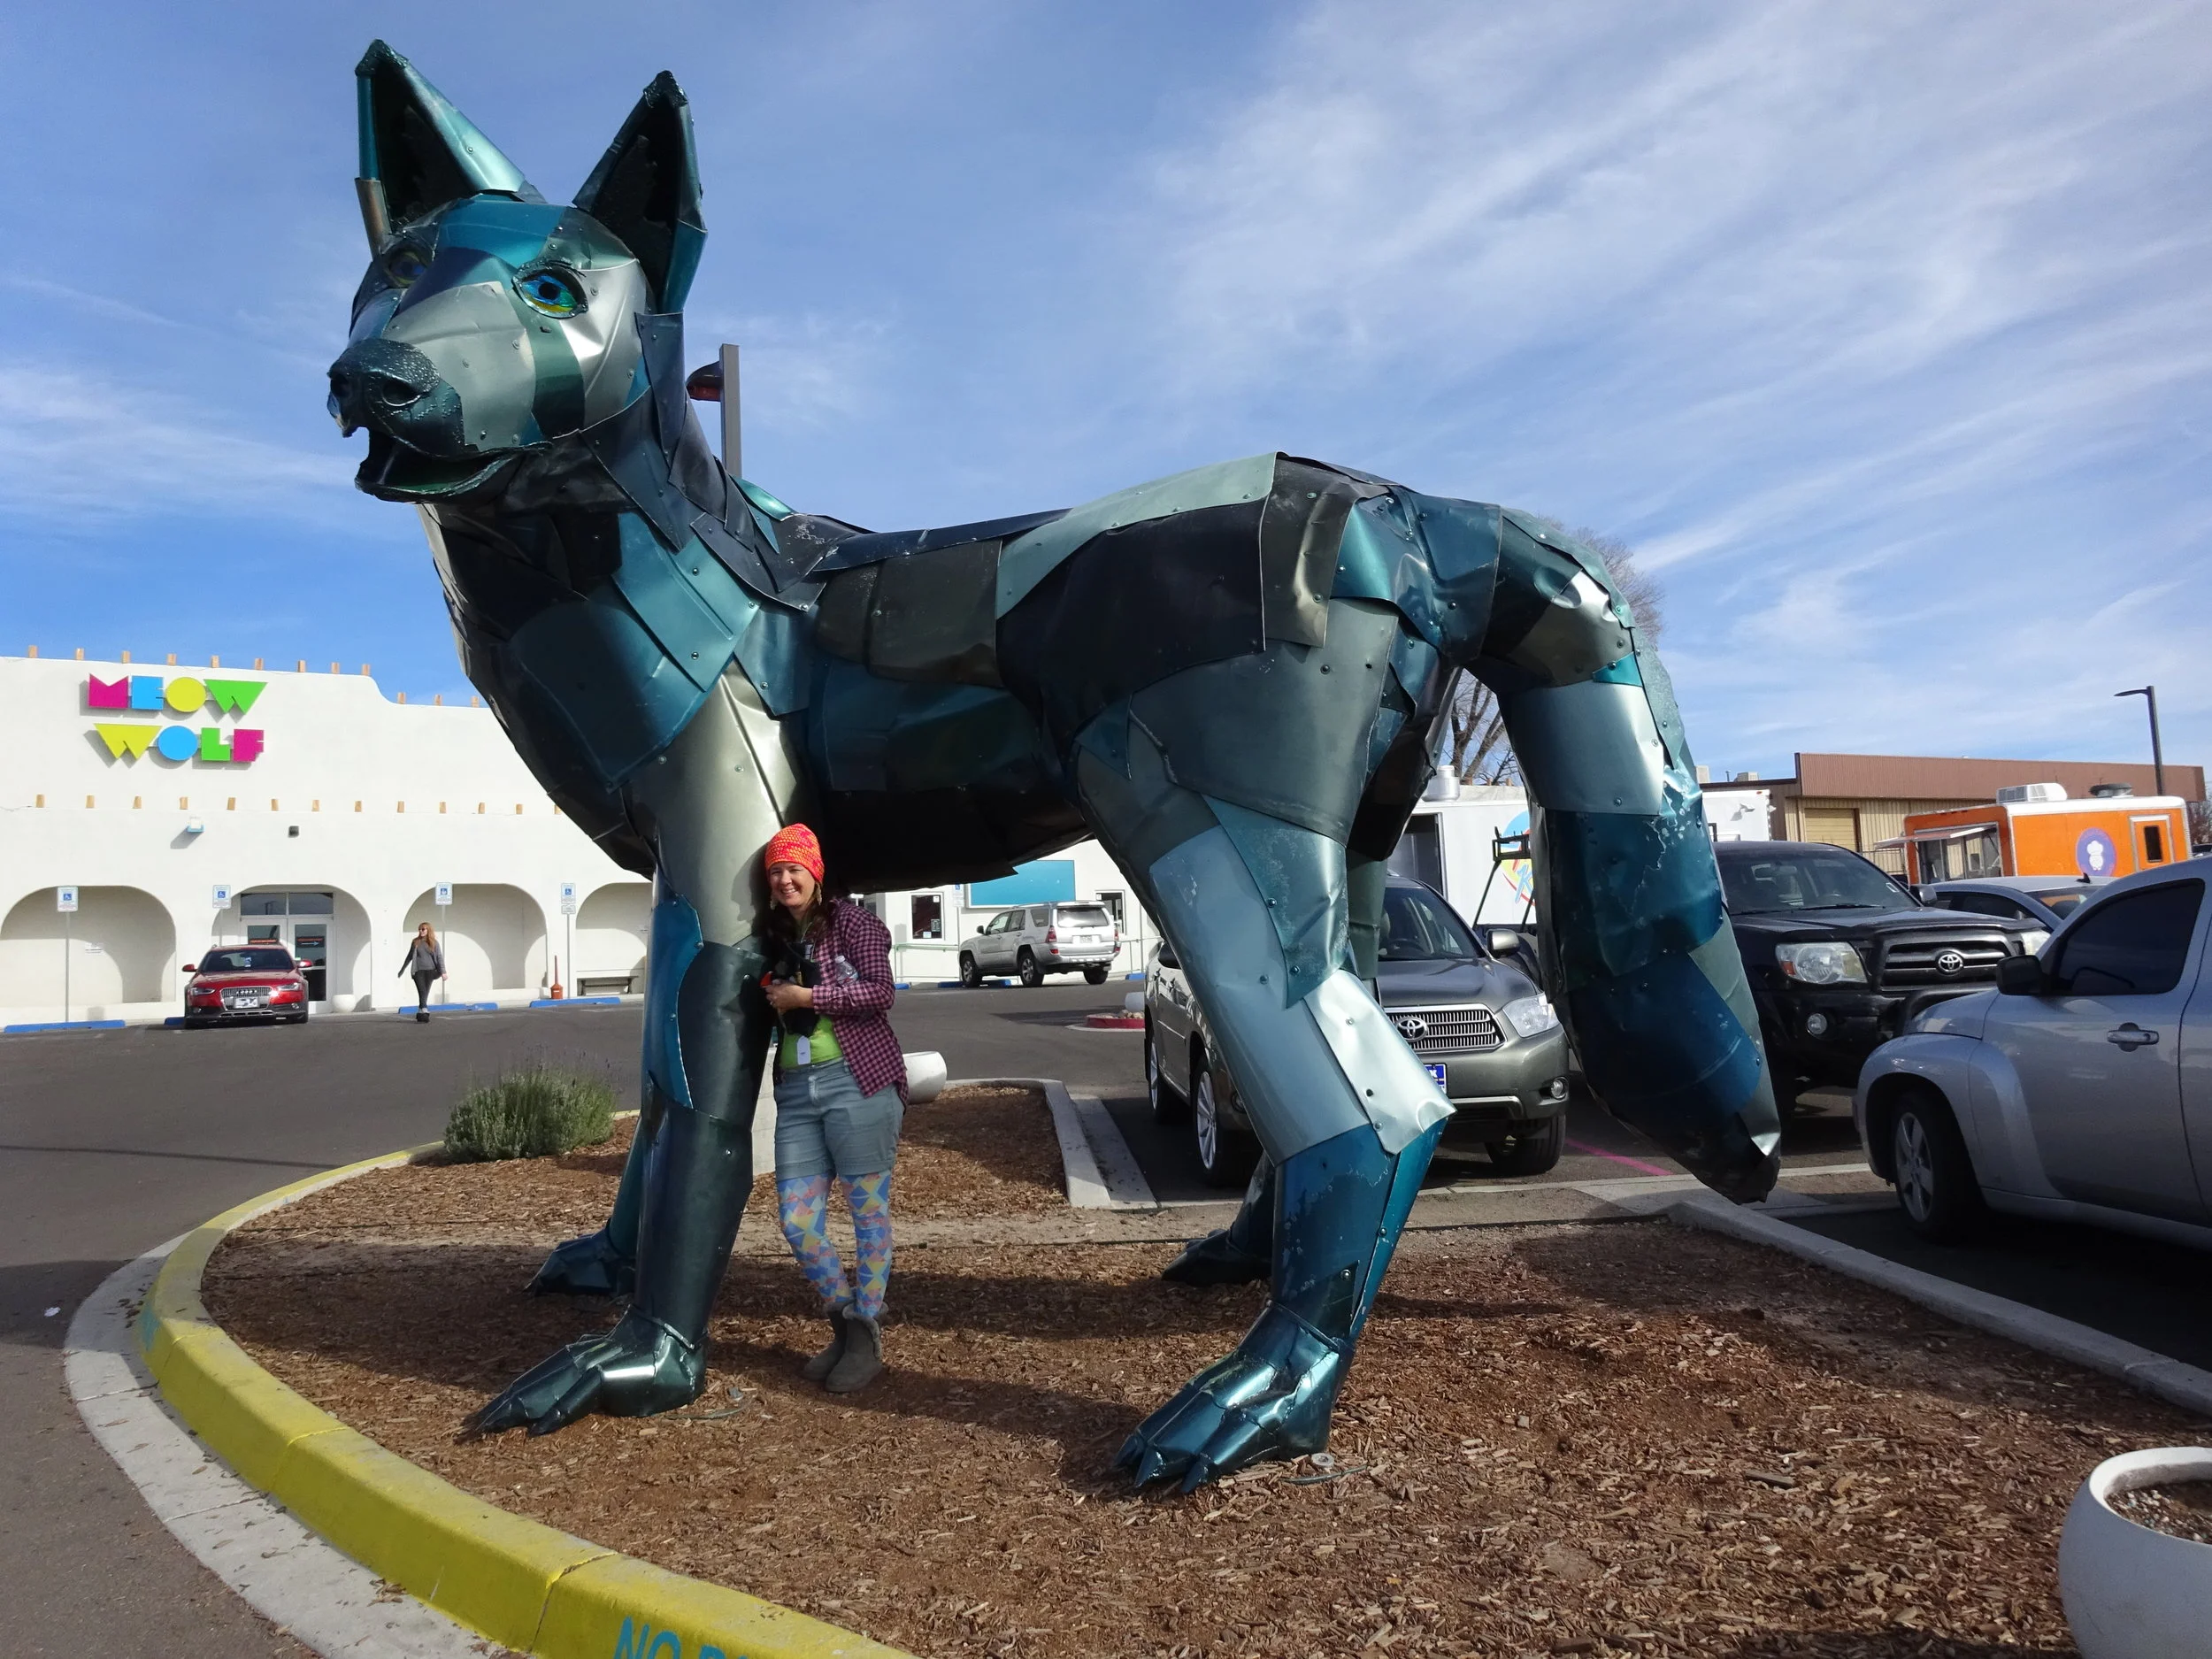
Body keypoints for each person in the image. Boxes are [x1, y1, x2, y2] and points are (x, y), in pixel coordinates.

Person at [760, 823, 906, 1394]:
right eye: (776, 870)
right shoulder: (774, 935)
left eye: (795, 867)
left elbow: (880, 992)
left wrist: (808, 997)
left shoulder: (853, 923)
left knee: (867, 1211)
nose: (785, 877)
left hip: (858, 1082)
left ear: (816, 874)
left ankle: (865, 1334)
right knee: (797, 1222)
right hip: (797, 1090)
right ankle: (844, 1323)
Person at [397, 921, 444, 1022]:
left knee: (425, 992)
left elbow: (439, 957)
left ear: (428, 930)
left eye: (423, 929)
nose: (421, 931)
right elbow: (410, 956)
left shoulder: (434, 943)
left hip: (431, 971)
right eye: (419, 929)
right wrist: (403, 969)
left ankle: (420, 1012)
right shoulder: (416, 942)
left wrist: (443, 972)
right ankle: (425, 1010)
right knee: (422, 991)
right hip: (418, 971)